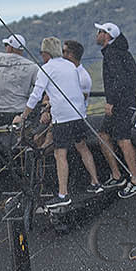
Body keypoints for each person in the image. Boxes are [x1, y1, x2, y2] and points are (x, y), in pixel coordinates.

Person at [26, 36, 101, 207]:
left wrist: (23, 115)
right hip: (78, 114)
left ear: (46, 53)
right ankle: (96, 183)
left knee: (60, 154)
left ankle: (63, 194)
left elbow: (37, 94)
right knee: (82, 146)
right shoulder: (70, 66)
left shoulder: (46, 68)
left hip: (63, 118)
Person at [93, 22, 136, 197]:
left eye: (99, 32)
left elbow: (119, 80)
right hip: (125, 102)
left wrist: (111, 102)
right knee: (103, 135)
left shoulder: (112, 54)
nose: (97, 34)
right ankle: (117, 174)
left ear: (106, 35)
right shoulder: (119, 52)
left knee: (123, 140)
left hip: (121, 104)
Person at [0, 34, 40, 128]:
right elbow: (40, 89)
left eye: (6, 45)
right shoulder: (32, 66)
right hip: (19, 112)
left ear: (10, 48)